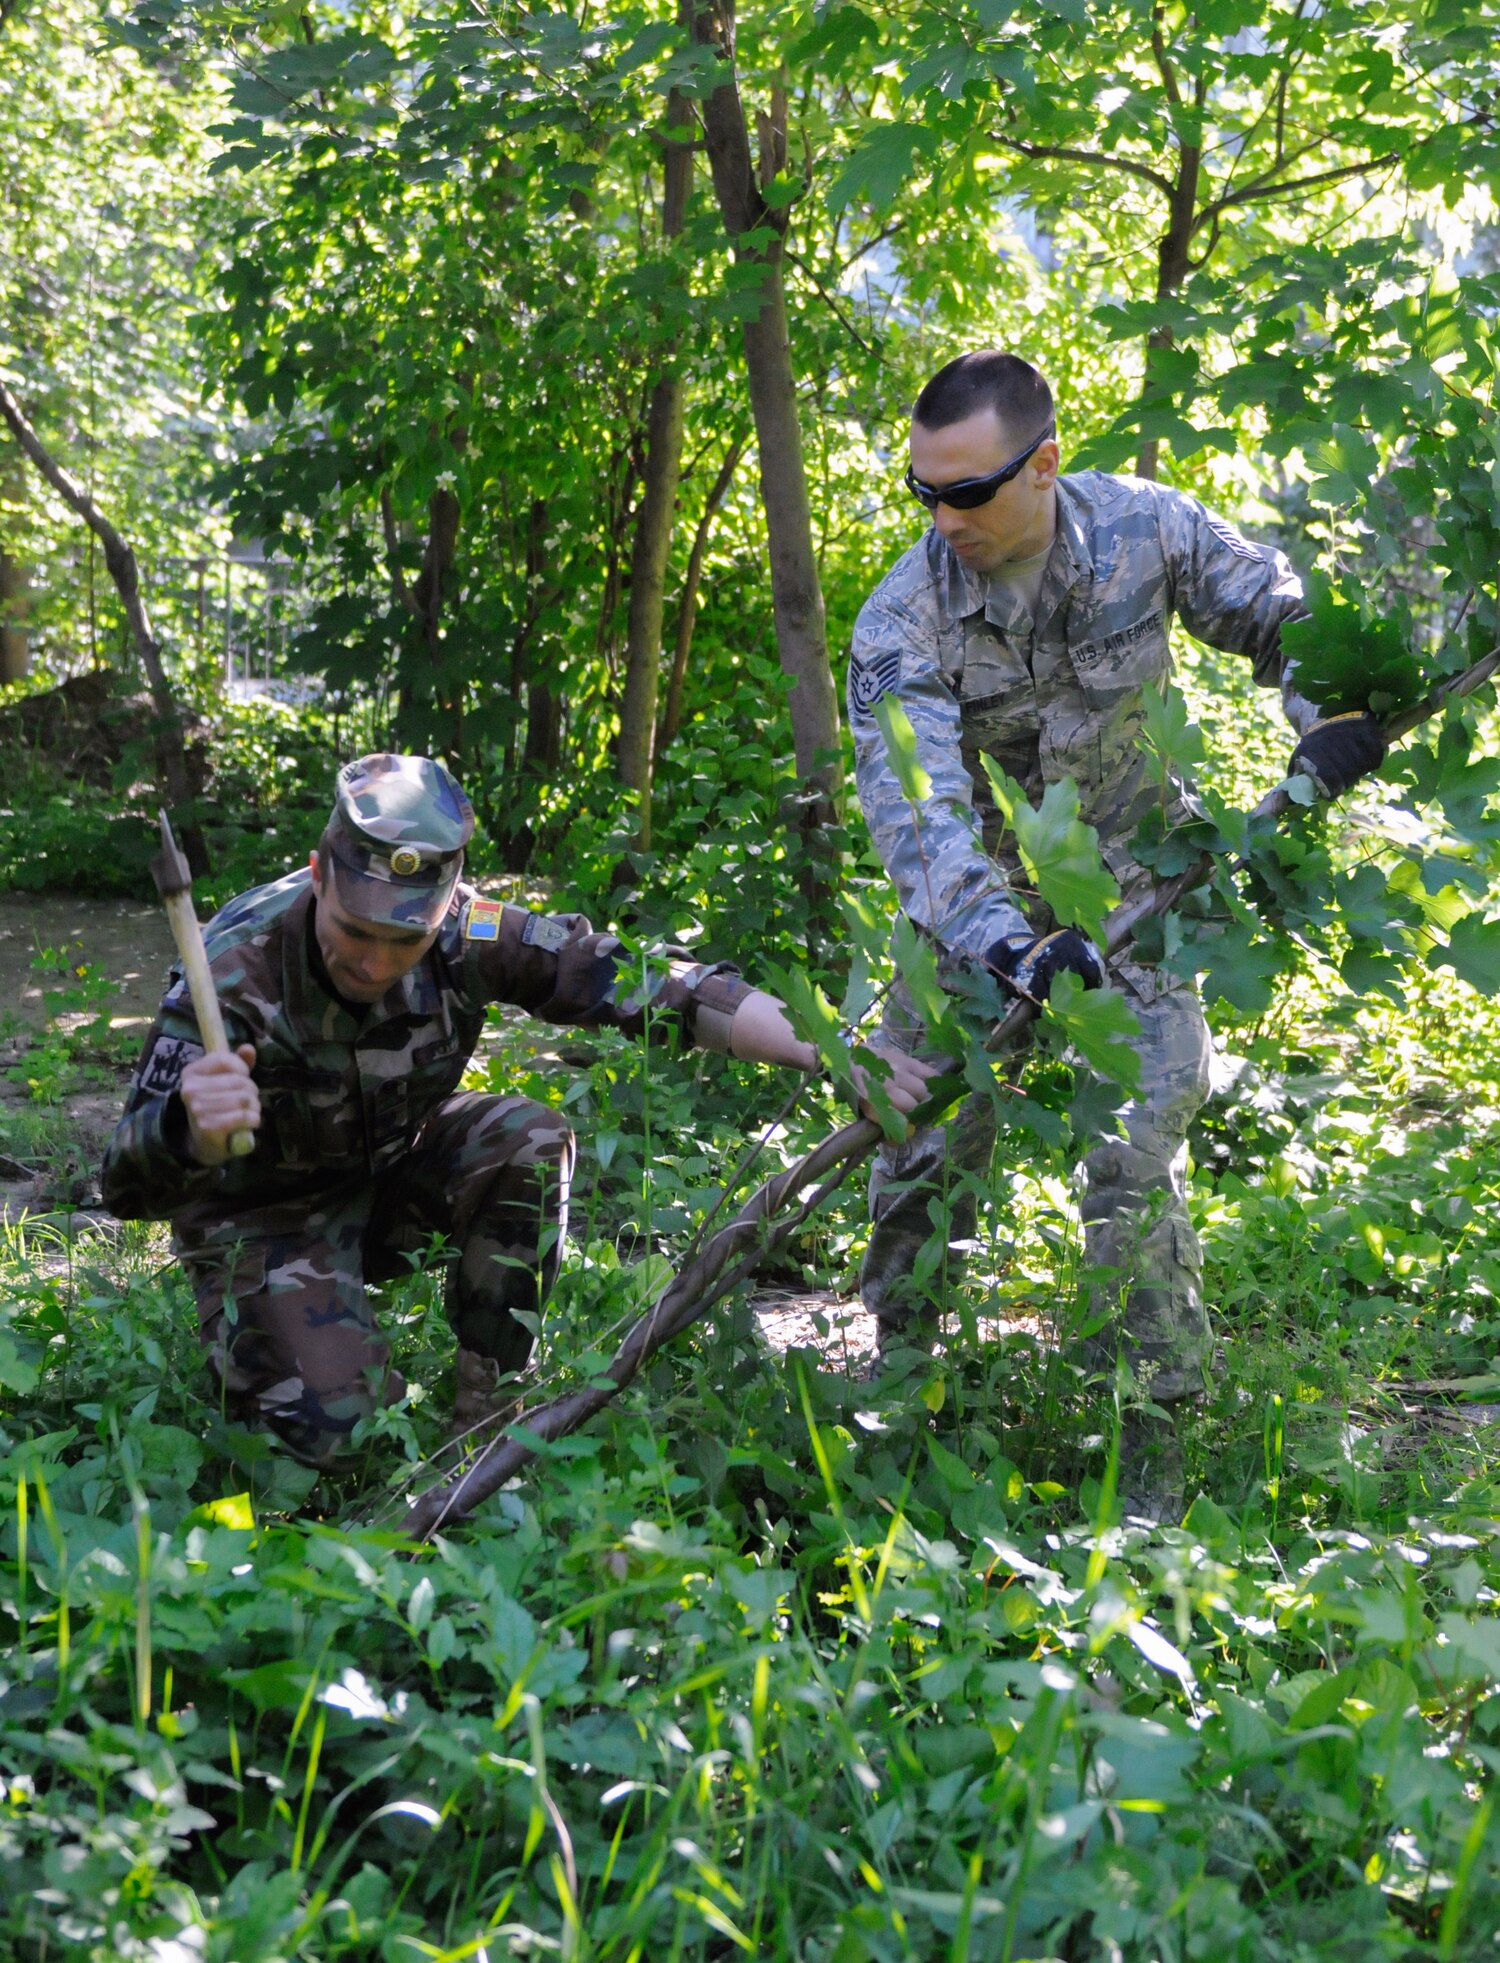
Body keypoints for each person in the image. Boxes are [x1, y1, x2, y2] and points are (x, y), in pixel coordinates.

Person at [847, 351, 1383, 1481]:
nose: (942, 518)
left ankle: (1150, 1435)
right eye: (922, 493)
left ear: (1042, 464)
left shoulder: (1146, 527)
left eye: (967, 492)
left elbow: (1278, 611)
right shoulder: (902, 618)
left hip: (1143, 889)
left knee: (1132, 1148)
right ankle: (898, 1390)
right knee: (923, 1144)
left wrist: (1321, 708)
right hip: (975, 922)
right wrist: (1013, 942)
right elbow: (921, 823)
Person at [103, 753, 931, 1466]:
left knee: (528, 1137)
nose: (375, 960)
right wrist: (190, 1133)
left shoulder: (470, 929)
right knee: (344, 1435)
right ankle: (294, 1348)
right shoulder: (232, 973)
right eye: (357, 930)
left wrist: (829, 1049)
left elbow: (656, 984)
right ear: (321, 874)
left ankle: (488, 1407)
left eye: (408, 939)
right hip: (262, 1216)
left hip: (390, 1172)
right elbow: (124, 1187)